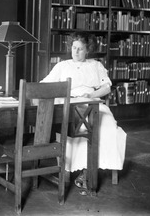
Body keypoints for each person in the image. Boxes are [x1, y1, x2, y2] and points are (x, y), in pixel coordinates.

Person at [41, 32, 126, 194]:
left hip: (92, 101)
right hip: (68, 102)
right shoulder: (62, 66)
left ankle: (89, 170)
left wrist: (91, 95)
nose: (76, 52)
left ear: (88, 50)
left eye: (80, 49)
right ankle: (78, 169)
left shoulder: (96, 65)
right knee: (77, 127)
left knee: (107, 123)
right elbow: (45, 84)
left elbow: (106, 87)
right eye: (74, 48)